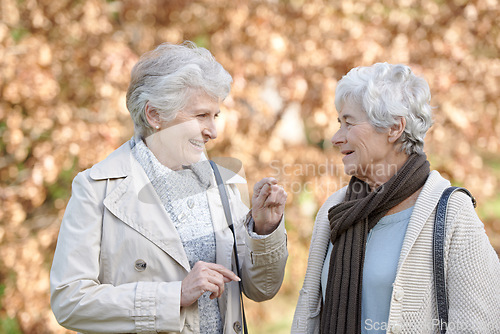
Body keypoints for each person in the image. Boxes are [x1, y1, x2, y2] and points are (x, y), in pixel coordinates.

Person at [50, 41, 288, 334]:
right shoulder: (96, 188)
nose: (212, 132)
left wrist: (264, 230)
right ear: (154, 115)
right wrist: (174, 296)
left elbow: (262, 289)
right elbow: (69, 301)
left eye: (215, 116)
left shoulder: (224, 183)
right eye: (200, 116)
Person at [292, 63, 500, 334]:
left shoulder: (451, 212)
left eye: (348, 123)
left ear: (394, 128)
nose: (336, 138)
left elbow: (479, 325)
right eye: (338, 124)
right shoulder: (335, 209)